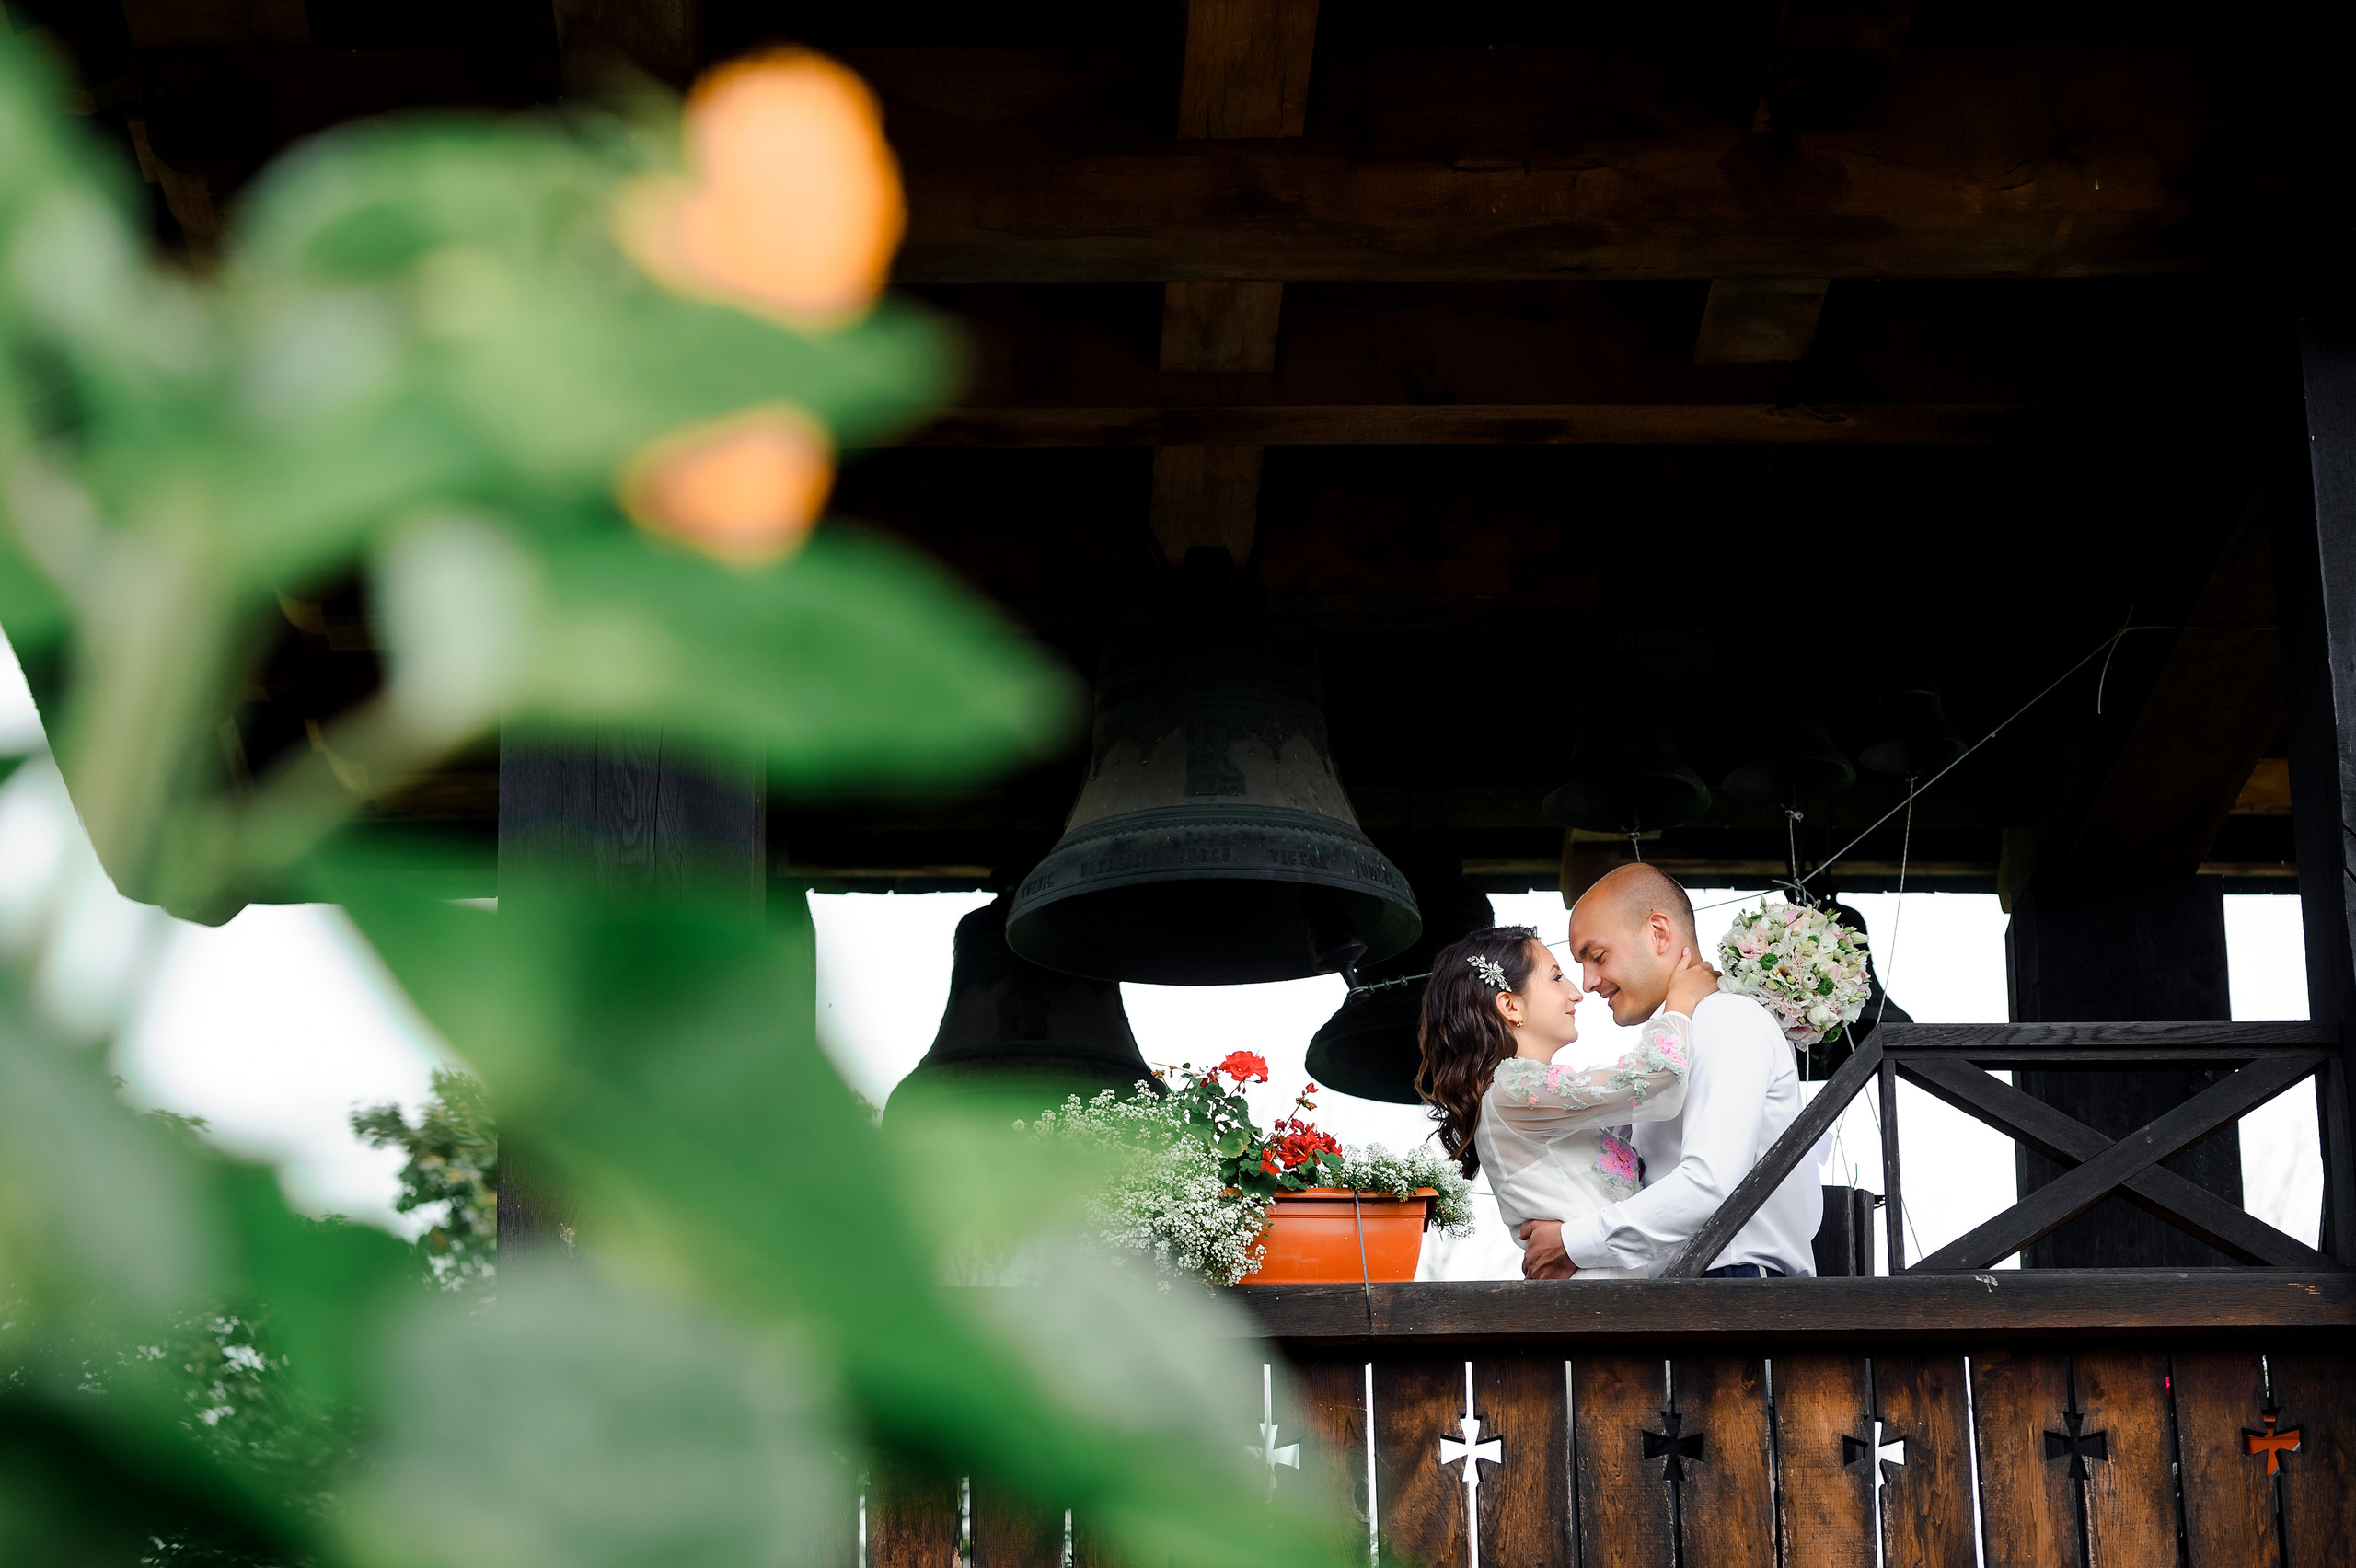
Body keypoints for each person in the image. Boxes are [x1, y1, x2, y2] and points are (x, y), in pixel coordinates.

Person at [1520, 863, 1821, 1280]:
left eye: (1598, 956)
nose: (1587, 982)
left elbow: (1711, 1185)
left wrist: (1574, 1244)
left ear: (1659, 933)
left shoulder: (1727, 1019)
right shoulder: (1675, 1044)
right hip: (1686, 1294)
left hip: (1733, 1290)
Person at [1414, 924, 1715, 1277]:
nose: (1577, 993)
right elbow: (1655, 1074)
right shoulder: (1513, 1092)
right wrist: (1680, 1002)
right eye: (1557, 978)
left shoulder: (1540, 1097)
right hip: (1586, 1305)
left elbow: (1651, 1092)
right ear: (1510, 1006)